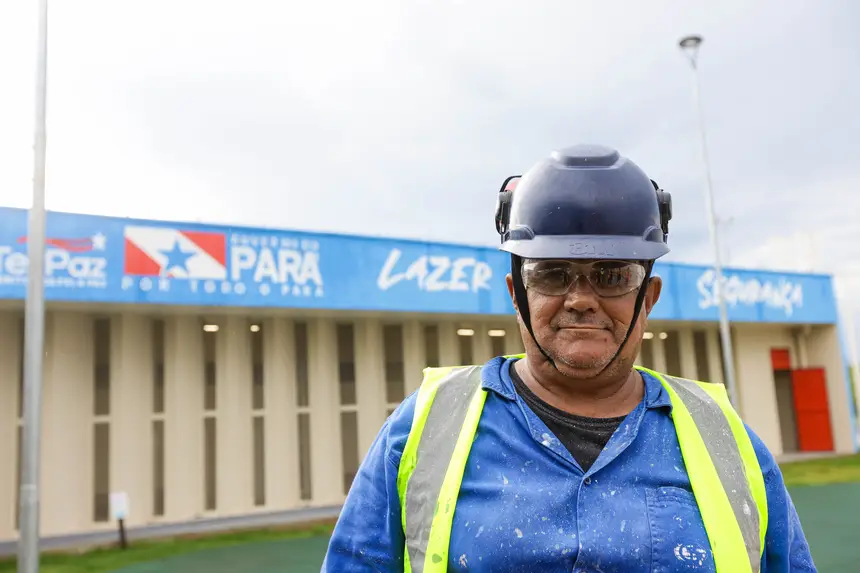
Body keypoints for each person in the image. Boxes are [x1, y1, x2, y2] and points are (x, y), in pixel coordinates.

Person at [321, 144, 816, 572]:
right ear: (517, 294)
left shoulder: (724, 438)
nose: (580, 299)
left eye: (612, 275)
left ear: (648, 297)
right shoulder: (426, 427)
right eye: (552, 273)